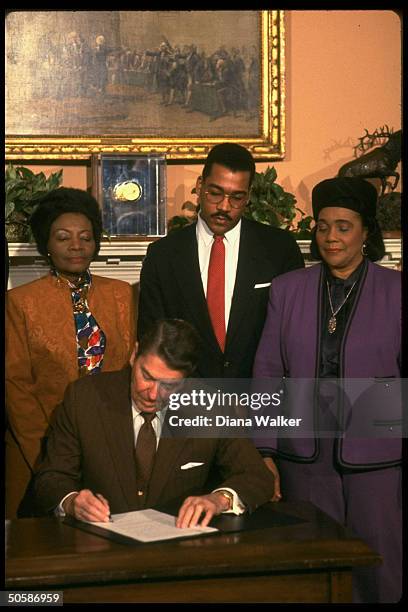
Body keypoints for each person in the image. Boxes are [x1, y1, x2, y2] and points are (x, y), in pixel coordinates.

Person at [253, 177, 401, 603]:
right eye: (322, 226)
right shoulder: (287, 289)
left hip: (379, 459)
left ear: (366, 231)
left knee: (380, 569)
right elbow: (267, 372)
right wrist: (264, 449)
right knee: (313, 568)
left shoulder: (396, 291)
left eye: (343, 226)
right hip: (304, 457)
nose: (330, 237)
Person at [33, 319, 275, 527]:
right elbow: (51, 477)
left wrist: (218, 500)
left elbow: (258, 476)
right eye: (146, 376)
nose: (152, 394)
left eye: (169, 385)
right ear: (134, 354)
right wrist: (73, 502)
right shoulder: (84, 397)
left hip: (177, 553)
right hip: (98, 549)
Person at [5, 187, 136, 519]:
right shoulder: (21, 302)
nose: (76, 245)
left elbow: (130, 371)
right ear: (46, 244)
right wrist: (50, 455)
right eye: (63, 237)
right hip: (38, 446)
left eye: (85, 237)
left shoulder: (122, 294)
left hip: (109, 445)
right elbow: (15, 385)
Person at [137, 143, 304, 380]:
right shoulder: (162, 255)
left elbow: (293, 335)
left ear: (248, 196)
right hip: (186, 402)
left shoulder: (279, 249)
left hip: (258, 401)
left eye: (237, 197)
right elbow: (152, 338)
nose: (224, 207)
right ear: (199, 186)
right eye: (215, 193)